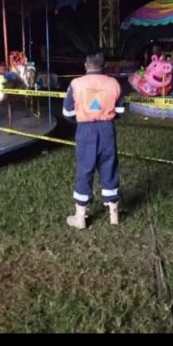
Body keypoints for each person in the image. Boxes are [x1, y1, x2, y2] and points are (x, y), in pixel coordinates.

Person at [62, 53, 125, 229]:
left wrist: (82, 119)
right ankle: (114, 215)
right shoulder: (114, 83)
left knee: (85, 168)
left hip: (85, 130)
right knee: (109, 166)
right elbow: (120, 111)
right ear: (104, 66)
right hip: (107, 130)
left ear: (86, 65)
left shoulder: (76, 83)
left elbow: (67, 113)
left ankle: (80, 217)